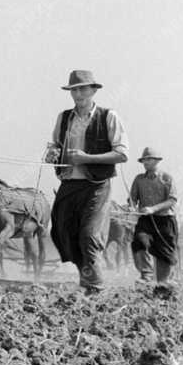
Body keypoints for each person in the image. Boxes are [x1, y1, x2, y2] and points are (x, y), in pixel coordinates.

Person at [44, 70, 129, 294]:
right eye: (74, 89)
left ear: (93, 90)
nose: (79, 93)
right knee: (64, 232)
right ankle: (87, 276)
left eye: (83, 89)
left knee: (90, 235)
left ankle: (95, 288)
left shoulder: (108, 117)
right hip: (69, 183)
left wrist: (87, 158)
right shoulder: (63, 118)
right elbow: (55, 145)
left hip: (97, 185)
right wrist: (52, 153)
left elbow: (121, 154)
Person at [128, 147, 178, 296]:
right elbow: (132, 199)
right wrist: (131, 207)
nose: (146, 162)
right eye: (144, 160)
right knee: (139, 242)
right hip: (146, 220)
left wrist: (153, 208)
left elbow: (172, 200)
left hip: (165, 220)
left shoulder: (167, 178)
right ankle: (146, 275)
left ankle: (162, 283)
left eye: (149, 159)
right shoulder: (138, 179)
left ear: (157, 161)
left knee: (165, 253)